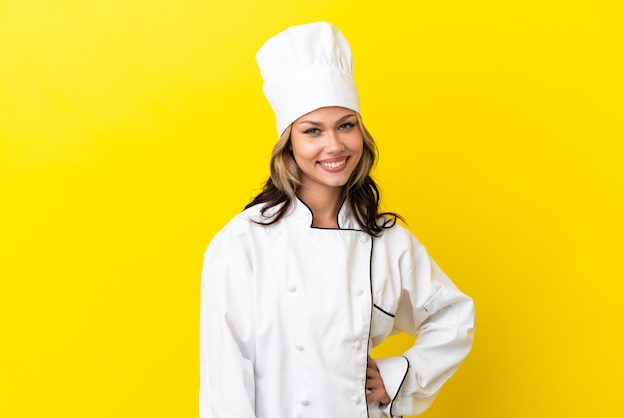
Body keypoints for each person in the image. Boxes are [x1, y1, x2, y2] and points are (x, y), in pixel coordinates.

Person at [199, 22, 475, 418]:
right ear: (288, 144)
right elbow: (225, 382)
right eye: (313, 131)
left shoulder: (388, 241)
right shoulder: (244, 243)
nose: (335, 145)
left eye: (346, 125)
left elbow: (453, 315)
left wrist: (399, 376)